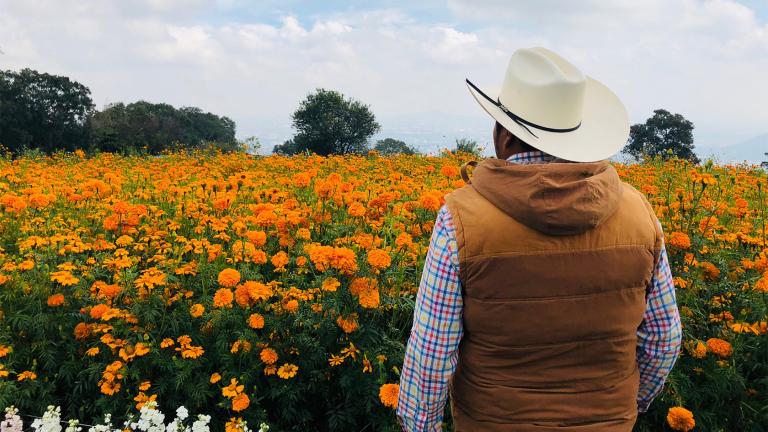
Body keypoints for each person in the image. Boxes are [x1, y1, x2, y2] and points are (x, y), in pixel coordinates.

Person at [396, 47, 682, 431]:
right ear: (576, 136)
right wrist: (627, 406)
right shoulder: (638, 214)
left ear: (506, 136)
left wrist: (422, 426)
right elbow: (664, 340)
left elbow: (432, 353)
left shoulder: (460, 219)